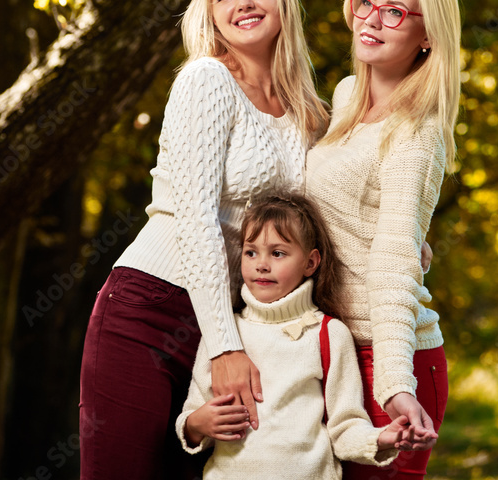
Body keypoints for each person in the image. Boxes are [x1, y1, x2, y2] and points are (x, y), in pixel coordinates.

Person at [78, 0, 329, 480]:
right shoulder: (205, 80)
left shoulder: (306, 111)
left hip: (233, 318)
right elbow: (195, 218)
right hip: (149, 308)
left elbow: (322, 214)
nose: (243, 3)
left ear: (282, 0)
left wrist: (404, 239)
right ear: (211, 16)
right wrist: (224, 349)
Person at [306, 0, 461, 479]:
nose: (371, 19)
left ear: (428, 37)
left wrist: (395, 383)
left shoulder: (417, 131)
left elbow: (394, 256)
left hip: (389, 356)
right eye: (366, 2)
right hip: (333, 352)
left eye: (394, 12)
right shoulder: (347, 98)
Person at [177, 194, 415, 479]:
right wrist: (195, 425)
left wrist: (379, 440)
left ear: (310, 262)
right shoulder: (225, 334)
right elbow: (193, 415)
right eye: (251, 252)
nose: (261, 264)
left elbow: (345, 426)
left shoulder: (330, 334)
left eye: (277, 253)